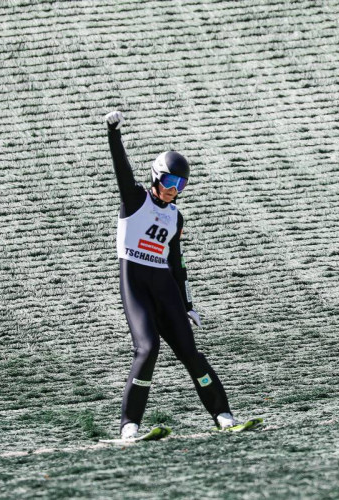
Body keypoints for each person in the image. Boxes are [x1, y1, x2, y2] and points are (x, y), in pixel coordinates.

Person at [105, 110, 238, 439]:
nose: (173, 189)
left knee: (191, 353)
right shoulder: (134, 199)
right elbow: (121, 168)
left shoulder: (175, 218)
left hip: (165, 286)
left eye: (180, 185)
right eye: (169, 182)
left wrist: (188, 303)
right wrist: (114, 133)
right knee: (147, 350)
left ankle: (223, 414)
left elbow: (177, 263)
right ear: (156, 178)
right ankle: (129, 426)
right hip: (135, 283)